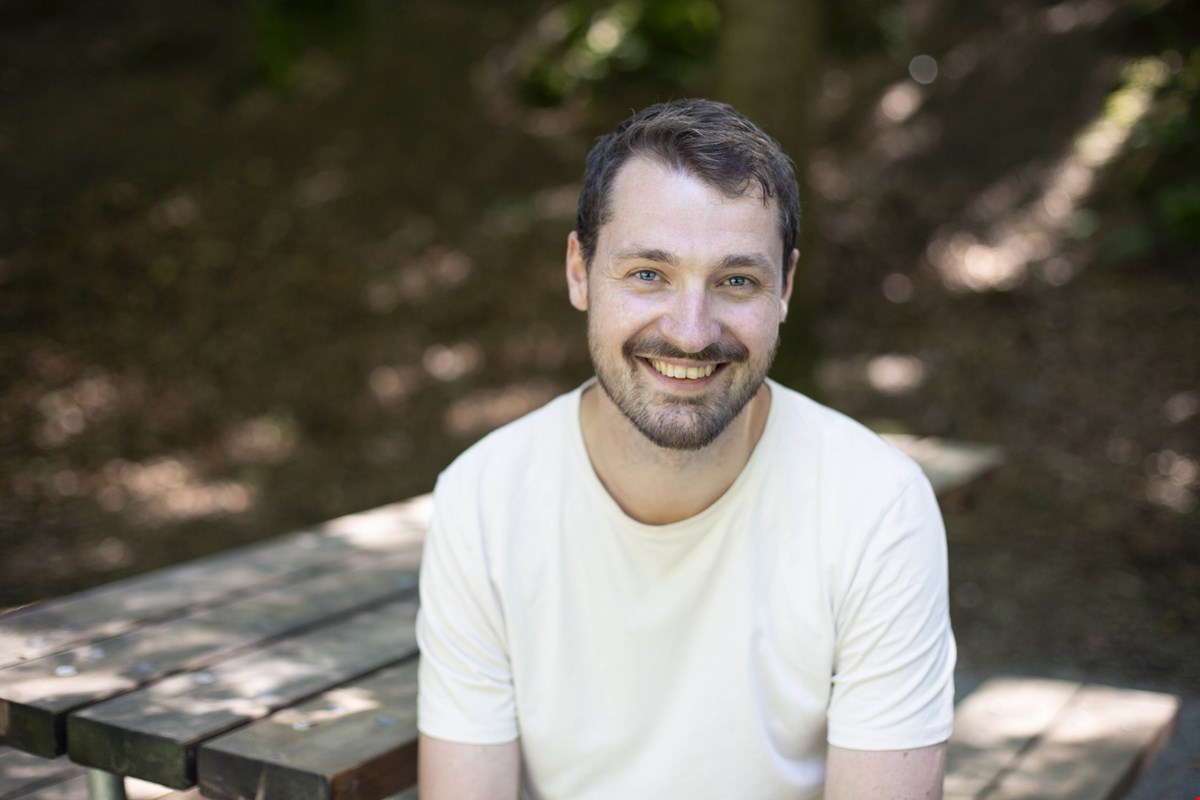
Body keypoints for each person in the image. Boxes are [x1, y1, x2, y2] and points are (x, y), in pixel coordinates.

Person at [415, 98, 955, 800]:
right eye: (648, 274)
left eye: (737, 281)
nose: (692, 332)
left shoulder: (877, 506)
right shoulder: (483, 498)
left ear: (785, 288)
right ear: (579, 271)